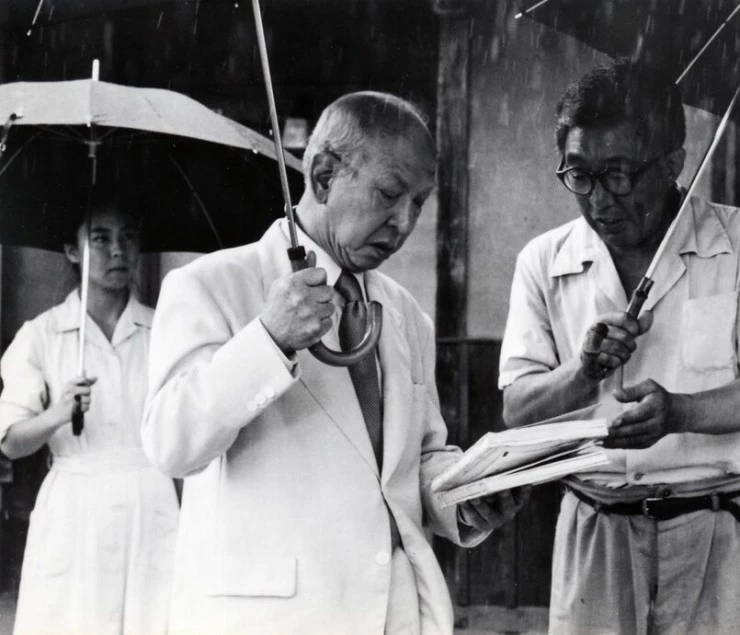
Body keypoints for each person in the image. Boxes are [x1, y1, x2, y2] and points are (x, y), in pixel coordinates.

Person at [143, 91, 526, 635]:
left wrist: (464, 498)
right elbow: (170, 444)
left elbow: (412, 465)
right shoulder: (211, 286)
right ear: (323, 175)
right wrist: (269, 339)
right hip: (271, 620)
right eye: (389, 194)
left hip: (392, 612)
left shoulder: (406, 315)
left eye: (419, 203)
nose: (403, 223)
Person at [499, 57, 740, 634]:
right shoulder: (543, 261)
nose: (599, 200)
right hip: (594, 528)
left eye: (618, 174)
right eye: (579, 174)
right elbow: (517, 409)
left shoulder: (736, 245)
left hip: (716, 530)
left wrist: (681, 412)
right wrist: (581, 373)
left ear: (674, 164)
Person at [0, 197, 179, 635]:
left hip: (150, 502)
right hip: (75, 505)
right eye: (100, 238)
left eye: (128, 237)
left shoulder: (164, 330)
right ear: (72, 250)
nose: (117, 250)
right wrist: (57, 414)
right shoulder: (42, 335)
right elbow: (10, 441)